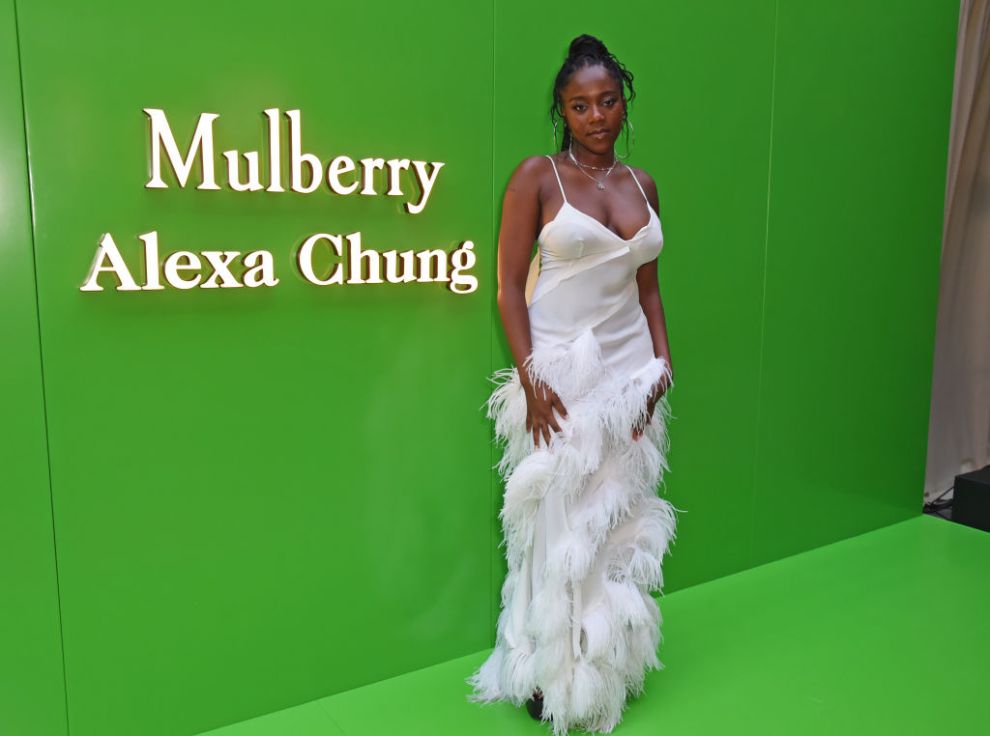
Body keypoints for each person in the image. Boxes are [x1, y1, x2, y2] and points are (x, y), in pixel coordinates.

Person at [466, 33, 678, 735]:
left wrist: (662, 368)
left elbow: (649, 289)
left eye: (607, 101)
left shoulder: (641, 185)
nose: (595, 116)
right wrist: (529, 376)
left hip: (628, 372)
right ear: (562, 110)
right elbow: (505, 286)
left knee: (613, 519)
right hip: (559, 369)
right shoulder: (537, 177)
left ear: (624, 104)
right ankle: (546, 671)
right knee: (555, 525)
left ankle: (602, 661)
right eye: (579, 105)